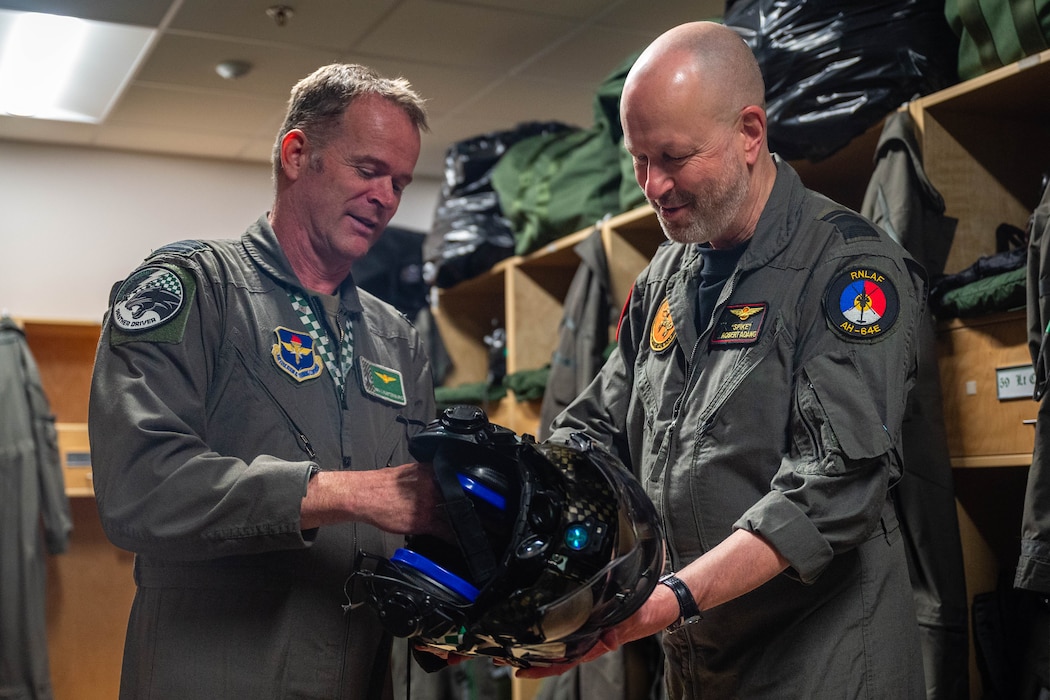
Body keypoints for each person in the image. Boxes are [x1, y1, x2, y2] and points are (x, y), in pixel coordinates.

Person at [520, 21, 928, 698]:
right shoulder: (663, 279)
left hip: (822, 668)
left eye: (675, 157)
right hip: (699, 664)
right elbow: (594, 435)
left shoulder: (849, 270)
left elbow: (831, 487)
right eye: (638, 159)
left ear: (749, 133)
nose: (653, 186)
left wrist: (671, 597)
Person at [88, 63, 445, 699]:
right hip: (215, 675)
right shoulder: (195, 289)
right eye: (368, 171)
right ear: (296, 153)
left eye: (400, 182)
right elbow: (139, 487)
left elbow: (418, 508)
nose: (387, 198)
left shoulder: (397, 337)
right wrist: (345, 494)